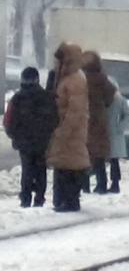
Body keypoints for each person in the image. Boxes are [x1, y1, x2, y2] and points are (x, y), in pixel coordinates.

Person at [3, 66, 59, 207]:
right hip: (43, 141)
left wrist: (15, 137)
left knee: (27, 169)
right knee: (41, 169)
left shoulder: (17, 98)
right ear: (36, 80)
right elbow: (55, 119)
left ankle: (25, 198)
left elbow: (8, 121)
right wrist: (48, 134)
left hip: (24, 142)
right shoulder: (47, 97)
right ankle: (39, 198)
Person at [46, 42, 90, 212]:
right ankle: (64, 200)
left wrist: (63, 130)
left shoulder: (75, 80)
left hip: (71, 131)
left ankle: (69, 200)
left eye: (59, 61)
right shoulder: (66, 78)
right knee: (64, 164)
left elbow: (75, 109)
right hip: (67, 129)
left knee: (70, 166)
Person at [82, 51, 117, 194]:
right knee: (99, 155)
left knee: (84, 154)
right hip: (99, 118)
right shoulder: (102, 79)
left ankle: (84, 184)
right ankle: (101, 184)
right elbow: (111, 93)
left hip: (84, 117)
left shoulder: (81, 78)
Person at [106, 80, 129, 194]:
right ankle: (110, 183)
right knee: (109, 160)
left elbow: (128, 115)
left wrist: (120, 127)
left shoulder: (120, 100)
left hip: (115, 134)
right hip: (107, 132)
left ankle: (115, 183)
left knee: (114, 160)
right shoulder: (106, 100)